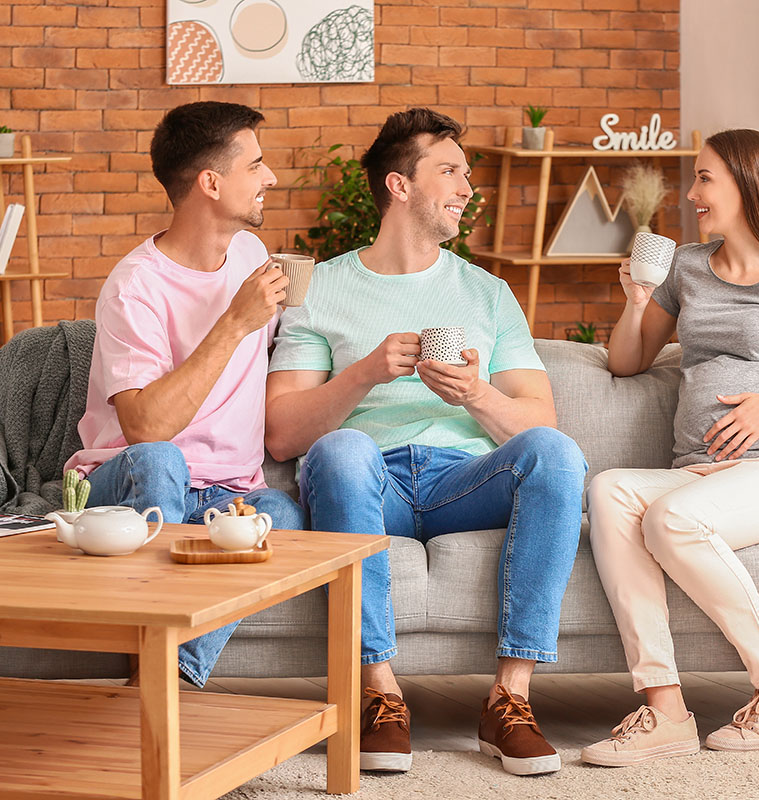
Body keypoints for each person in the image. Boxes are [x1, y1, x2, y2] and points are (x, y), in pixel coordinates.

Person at [264, 108, 587, 776]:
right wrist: (364, 372)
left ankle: (511, 700)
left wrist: (475, 394)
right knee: (341, 449)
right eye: (449, 172)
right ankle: (379, 695)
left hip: (461, 482)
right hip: (367, 482)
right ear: (399, 185)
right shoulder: (320, 289)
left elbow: (542, 422)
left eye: (466, 175)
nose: (467, 188)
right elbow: (282, 431)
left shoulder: (488, 292)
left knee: (558, 453)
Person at [579, 129, 759, 766]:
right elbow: (628, 362)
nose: (692, 193)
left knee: (671, 518)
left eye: (706, 179)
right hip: (703, 474)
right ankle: (664, 710)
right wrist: (636, 302)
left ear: (747, 184)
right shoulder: (684, 268)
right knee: (609, 490)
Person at [64, 101, 305, 687]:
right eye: (256, 165)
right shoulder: (134, 286)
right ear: (211, 182)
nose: (271, 177)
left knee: (285, 515)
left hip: (230, 493)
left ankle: (167, 675)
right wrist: (234, 322)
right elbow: (146, 429)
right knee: (161, 460)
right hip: (129, 477)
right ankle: (156, 658)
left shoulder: (250, 255)